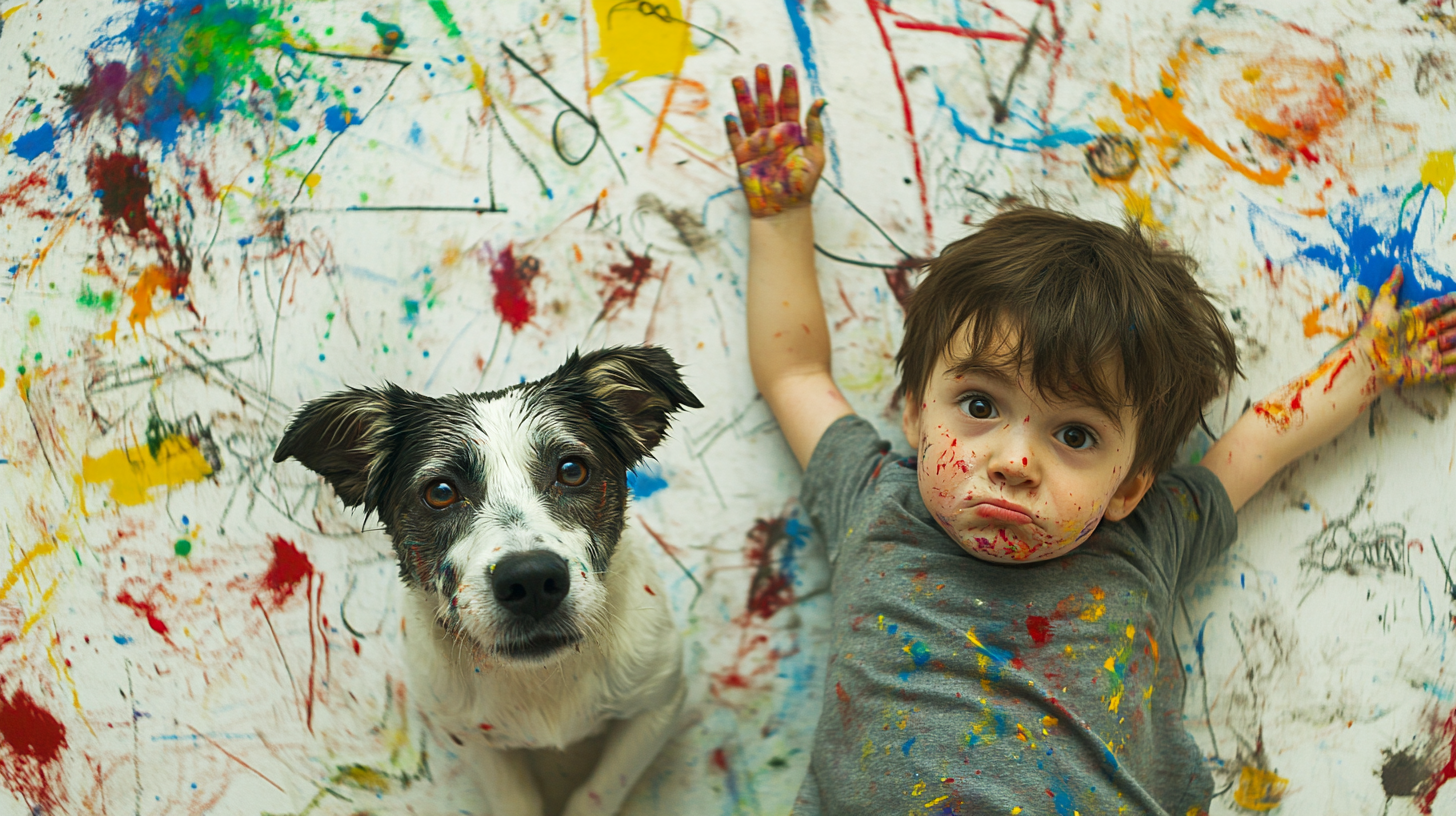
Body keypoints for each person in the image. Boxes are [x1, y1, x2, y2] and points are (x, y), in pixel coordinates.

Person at [726, 63, 1456, 815]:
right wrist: (780, 218)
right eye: (979, 404)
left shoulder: (1147, 536)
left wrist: (1365, 367)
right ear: (915, 413)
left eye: (1075, 434)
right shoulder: (871, 498)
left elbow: (1257, 445)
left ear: (1131, 482)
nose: (1013, 461)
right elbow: (794, 372)